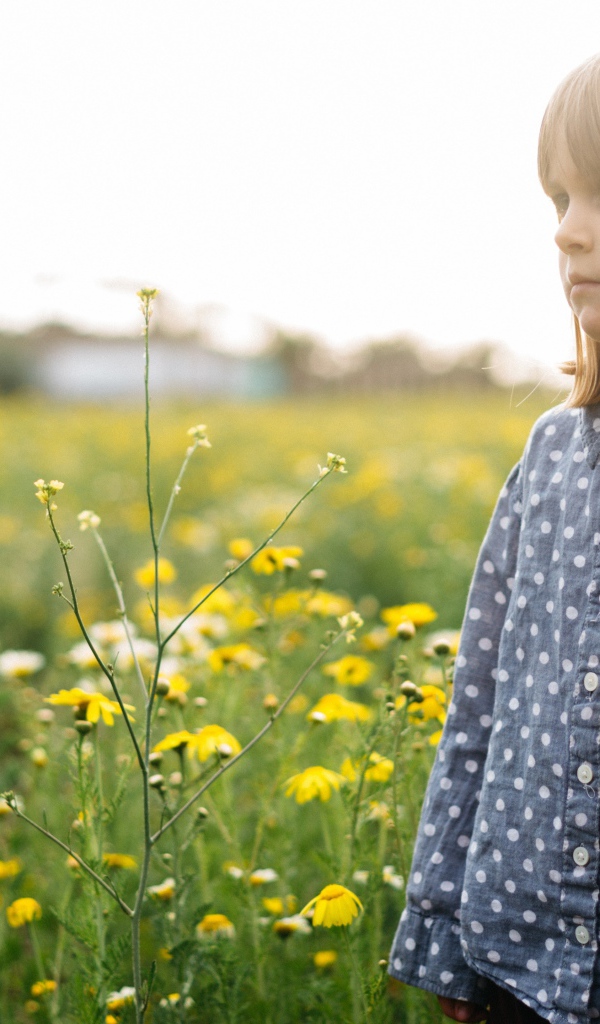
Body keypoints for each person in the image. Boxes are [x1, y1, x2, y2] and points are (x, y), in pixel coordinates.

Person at [389, 53, 600, 1024]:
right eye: (560, 196)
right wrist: (439, 933)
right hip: (519, 960)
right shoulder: (553, 458)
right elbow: (475, 711)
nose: (566, 228)